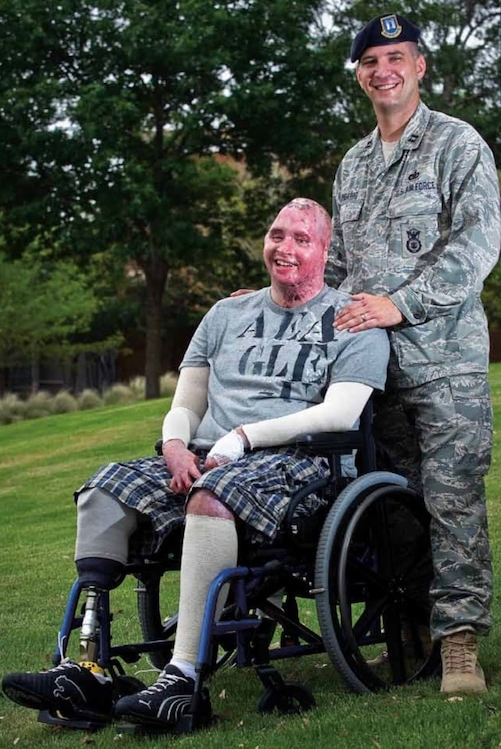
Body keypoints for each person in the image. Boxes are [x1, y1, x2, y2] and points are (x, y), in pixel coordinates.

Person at [2, 198, 389, 730]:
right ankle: (87, 666)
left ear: (325, 251)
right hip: (209, 457)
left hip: (299, 462)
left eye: (302, 239)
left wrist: (243, 438)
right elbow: (186, 402)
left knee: (214, 493)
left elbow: (340, 413)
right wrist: (174, 445)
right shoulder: (225, 315)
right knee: (104, 488)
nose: (285, 247)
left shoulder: (354, 320)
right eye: (277, 235)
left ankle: (183, 679)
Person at [327, 13, 501, 694]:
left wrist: (400, 304)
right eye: (370, 61)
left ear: (419, 66)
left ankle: (459, 644)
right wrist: (294, 301)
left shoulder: (457, 144)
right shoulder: (353, 164)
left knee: (452, 503)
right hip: (373, 370)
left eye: (395, 57)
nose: (383, 71)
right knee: (393, 509)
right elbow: (339, 266)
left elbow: (477, 245)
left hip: (446, 364)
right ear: (360, 76)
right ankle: (410, 636)